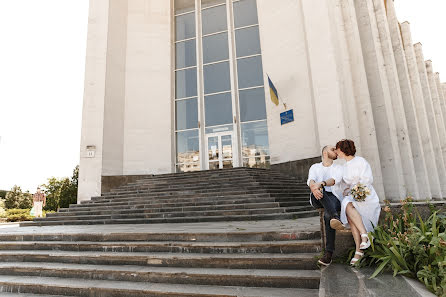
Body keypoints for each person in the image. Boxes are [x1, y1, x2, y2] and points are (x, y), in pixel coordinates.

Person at [333, 139, 381, 266]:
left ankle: (359, 250)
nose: (336, 152)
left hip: (365, 195)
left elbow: (367, 179)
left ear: (343, 149)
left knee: (350, 213)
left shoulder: (360, 161)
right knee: (347, 204)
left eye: (337, 149)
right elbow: (342, 185)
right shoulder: (343, 167)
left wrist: (356, 190)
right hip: (352, 196)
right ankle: (364, 237)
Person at [307, 145, 343, 266]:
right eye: (333, 149)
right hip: (316, 196)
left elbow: (333, 180)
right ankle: (336, 217)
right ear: (325, 153)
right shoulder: (315, 167)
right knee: (320, 192)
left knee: (328, 216)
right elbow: (311, 180)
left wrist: (321, 184)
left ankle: (328, 254)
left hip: (334, 197)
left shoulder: (338, 167)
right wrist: (315, 187)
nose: (336, 151)